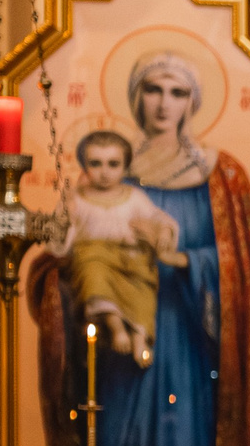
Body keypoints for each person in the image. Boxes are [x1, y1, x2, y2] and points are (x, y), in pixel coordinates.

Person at [30, 52, 250, 446]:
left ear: (192, 102)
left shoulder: (221, 174)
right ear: (136, 97)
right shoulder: (107, 171)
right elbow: (62, 255)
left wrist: (182, 258)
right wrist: (65, 270)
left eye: (177, 92)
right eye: (153, 90)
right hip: (121, 353)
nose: (164, 103)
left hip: (189, 349)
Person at [62, 130, 182, 367]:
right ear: (85, 165)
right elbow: (61, 241)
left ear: (125, 167)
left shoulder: (134, 197)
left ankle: (139, 337)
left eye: (113, 164)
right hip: (94, 256)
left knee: (144, 290)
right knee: (93, 274)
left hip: (131, 260)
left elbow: (157, 218)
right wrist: (66, 217)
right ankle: (116, 326)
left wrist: (164, 231)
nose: (104, 172)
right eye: (96, 164)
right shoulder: (77, 199)